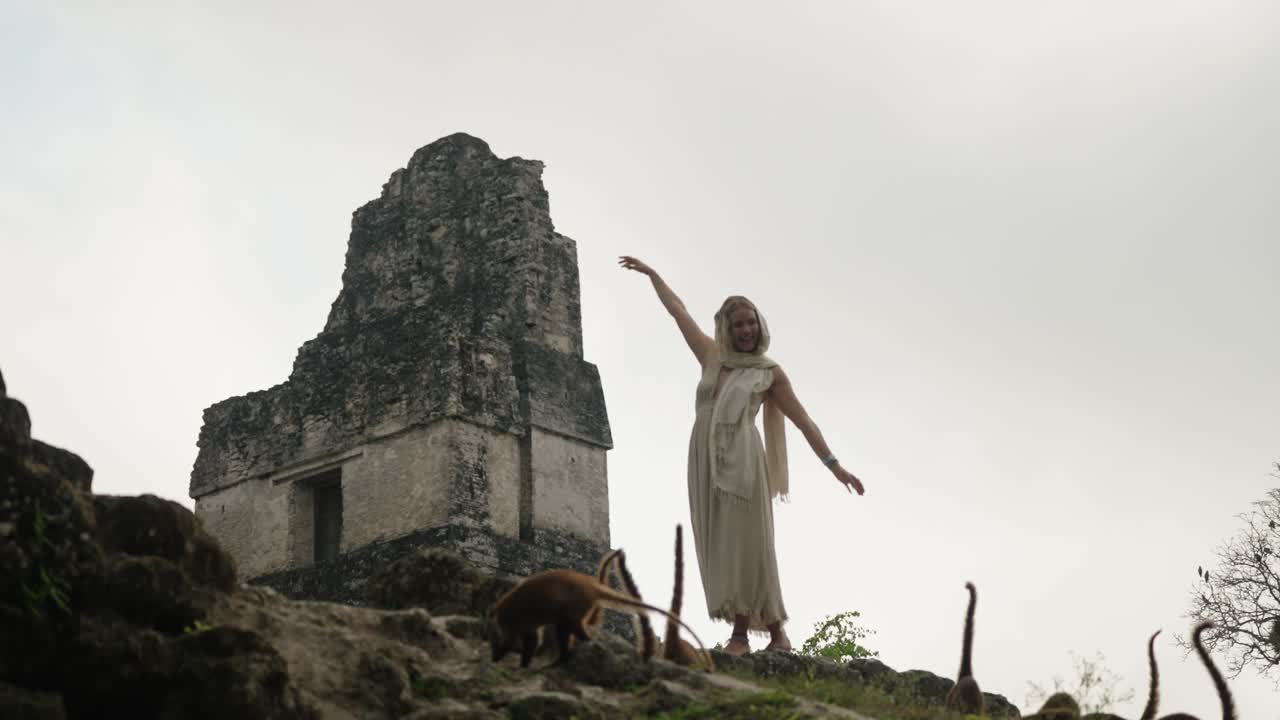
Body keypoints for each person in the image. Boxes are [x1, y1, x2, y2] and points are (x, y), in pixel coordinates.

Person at [619, 255, 865, 656]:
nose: (746, 330)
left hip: (745, 463)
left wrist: (835, 467)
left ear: (760, 325)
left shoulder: (770, 373)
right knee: (720, 544)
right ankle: (776, 634)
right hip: (704, 457)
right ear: (727, 329)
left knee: (749, 544)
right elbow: (677, 311)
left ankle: (740, 634)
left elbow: (804, 421)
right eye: (738, 325)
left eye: (751, 322)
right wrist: (653, 276)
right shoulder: (712, 356)